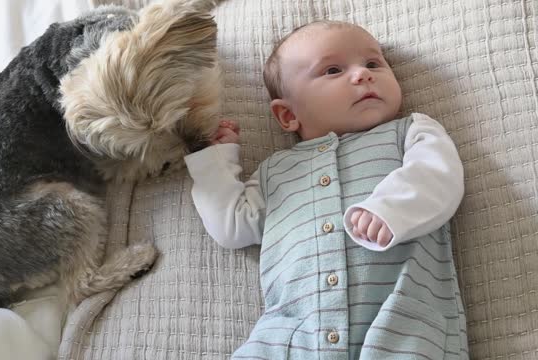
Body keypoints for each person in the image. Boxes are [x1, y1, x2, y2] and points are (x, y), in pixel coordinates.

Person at [185, 20, 468, 359]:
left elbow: (438, 175)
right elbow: (232, 225)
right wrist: (214, 159)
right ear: (288, 115)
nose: (362, 75)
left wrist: (391, 209)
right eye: (333, 70)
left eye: (373, 63)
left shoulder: (410, 131)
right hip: (290, 333)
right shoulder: (276, 172)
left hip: (399, 322)